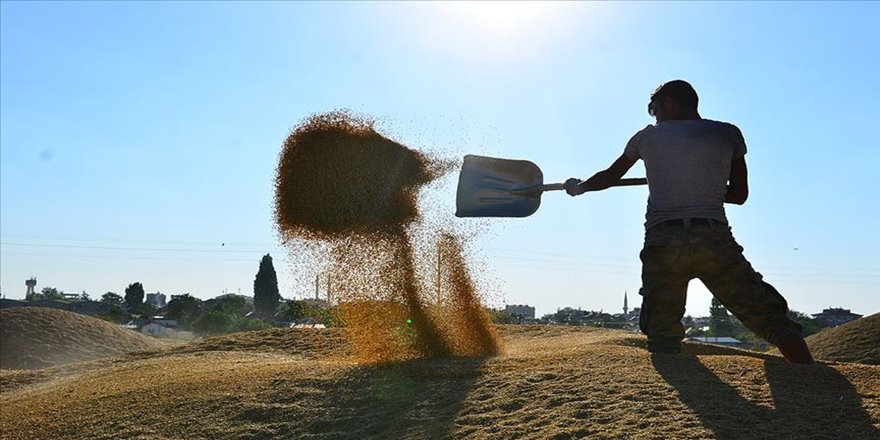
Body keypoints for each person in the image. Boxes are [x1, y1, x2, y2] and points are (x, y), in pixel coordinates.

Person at [564, 80, 814, 364]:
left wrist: (580, 186)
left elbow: (610, 177)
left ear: (669, 103)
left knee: (661, 328)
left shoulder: (647, 138)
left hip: (665, 243)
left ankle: (675, 388)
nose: (653, 114)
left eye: (654, 107)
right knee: (766, 314)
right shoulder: (726, 133)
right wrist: (701, 181)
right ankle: (809, 376)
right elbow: (739, 195)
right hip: (713, 240)